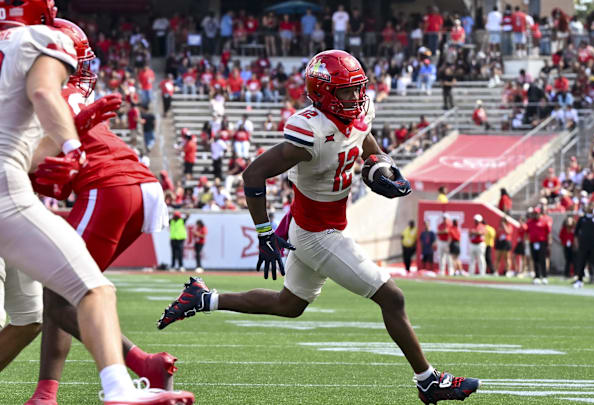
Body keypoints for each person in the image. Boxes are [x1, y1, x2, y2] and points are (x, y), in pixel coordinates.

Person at [158, 50, 479, 404]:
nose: (356, 99)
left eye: (359, 89)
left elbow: (365, 141)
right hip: (316, 234)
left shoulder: (358, 113)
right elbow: (253, 174)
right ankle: (428, 380)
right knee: (393, 297)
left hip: (312, 228)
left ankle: (204, 299)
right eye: (346, 92)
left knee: (289, 304)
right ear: (324, 92)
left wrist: (381, 167)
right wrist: (265, 233)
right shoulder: (309, 130)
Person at [0, 5, 192, 404]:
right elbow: (40, 108)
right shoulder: (38, 49)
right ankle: (113, 382)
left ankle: (86, 387)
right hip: (98, 187)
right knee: (79, 290)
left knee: (48, 305)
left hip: (46, 190)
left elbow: (32, 162)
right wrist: (72, 141)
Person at [573, 205, 594, 288]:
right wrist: (576, 243)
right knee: (581, 262)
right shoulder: (582, 219)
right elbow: (576, 233)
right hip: (583, 245)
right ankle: (579, 280)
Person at [526, 208, 551, 284]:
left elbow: (548, 233)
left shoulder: (544, 221)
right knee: (535, 260)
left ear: (540, 214)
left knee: (542, 259)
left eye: (537, 213)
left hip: (542, 242)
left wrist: (549, 243)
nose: (535, 215)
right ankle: (537, 276)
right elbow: (527, 232)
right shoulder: (530, 222)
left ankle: (544, 276)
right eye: (534, 213)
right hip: (533, 243)